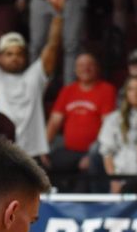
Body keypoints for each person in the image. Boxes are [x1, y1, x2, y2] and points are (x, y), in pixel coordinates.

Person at [0, 0, 66, 160]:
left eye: (19, 53)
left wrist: (58, 14)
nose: (14, 57)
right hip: (0, 153)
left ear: (26, 57)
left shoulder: (34, 76)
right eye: (9, 53)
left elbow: (53, 46)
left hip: (31, 155)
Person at [46, 53, 116, 190]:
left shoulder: (106, 90)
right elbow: (54, 122)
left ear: (97, 68)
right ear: (75, 70)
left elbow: (108, 127)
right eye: (81, 65)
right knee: (41, 163)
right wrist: (43, 148)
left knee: (85, 179)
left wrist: (91, 155)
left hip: (94, 152)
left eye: (90, 65)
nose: (86, 69)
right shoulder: (68, 90)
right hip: (69, 151)